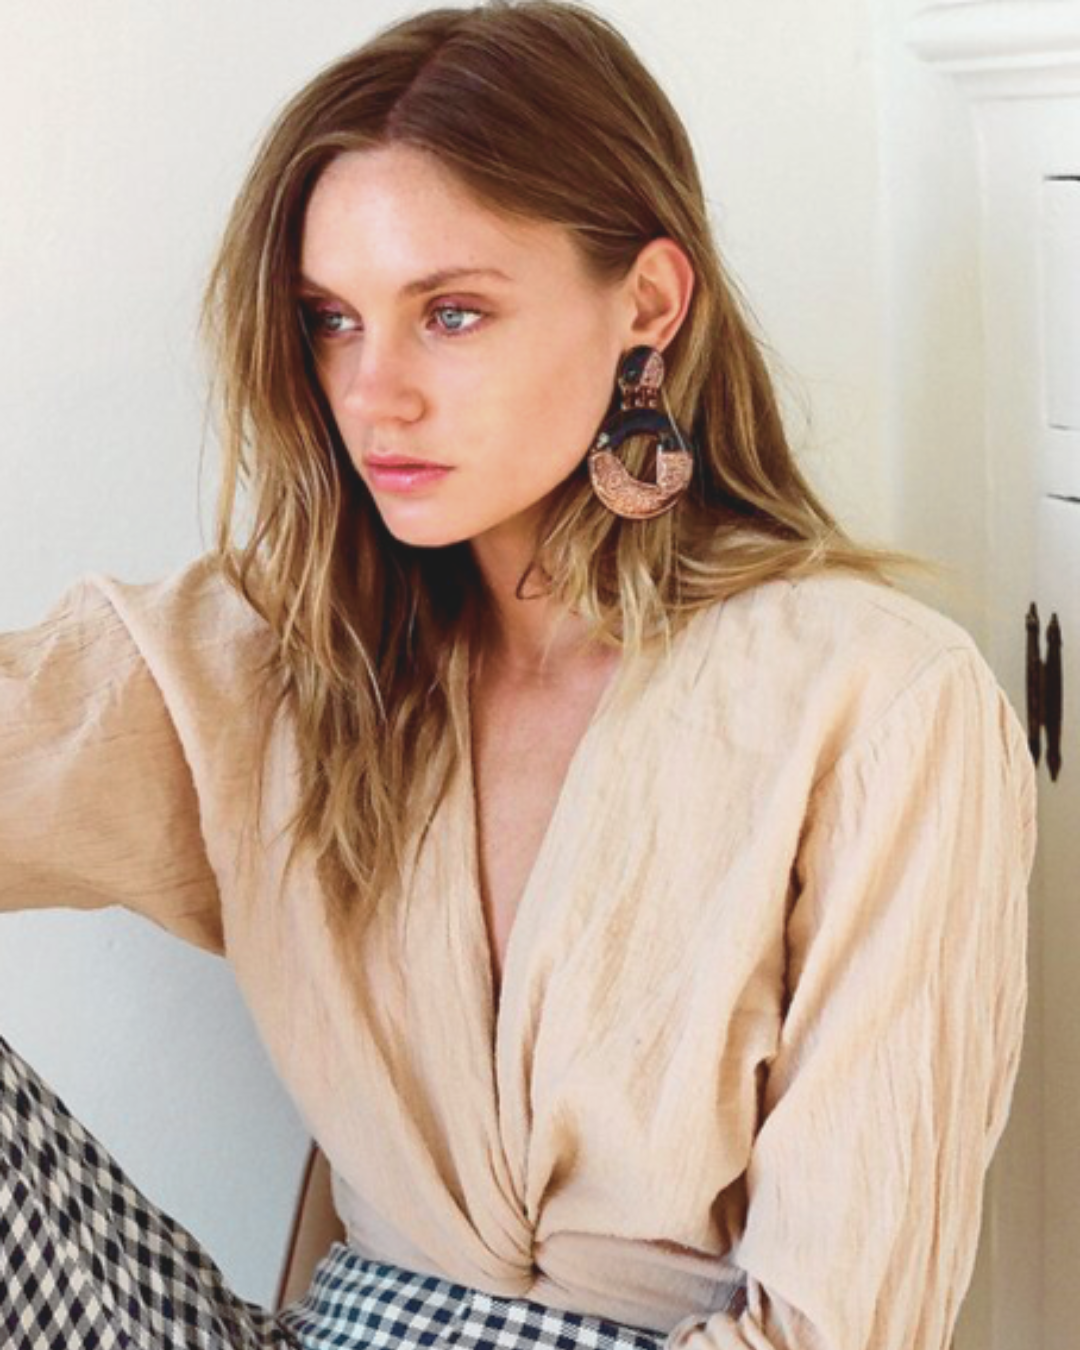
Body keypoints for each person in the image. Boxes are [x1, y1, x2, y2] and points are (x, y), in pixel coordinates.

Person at [0, 2, 1037, 1348]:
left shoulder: (877, 700)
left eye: (451, 313)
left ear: (648, 306)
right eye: (331, 320)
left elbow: (842, 1327)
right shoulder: (278, 657)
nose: (373, 393)